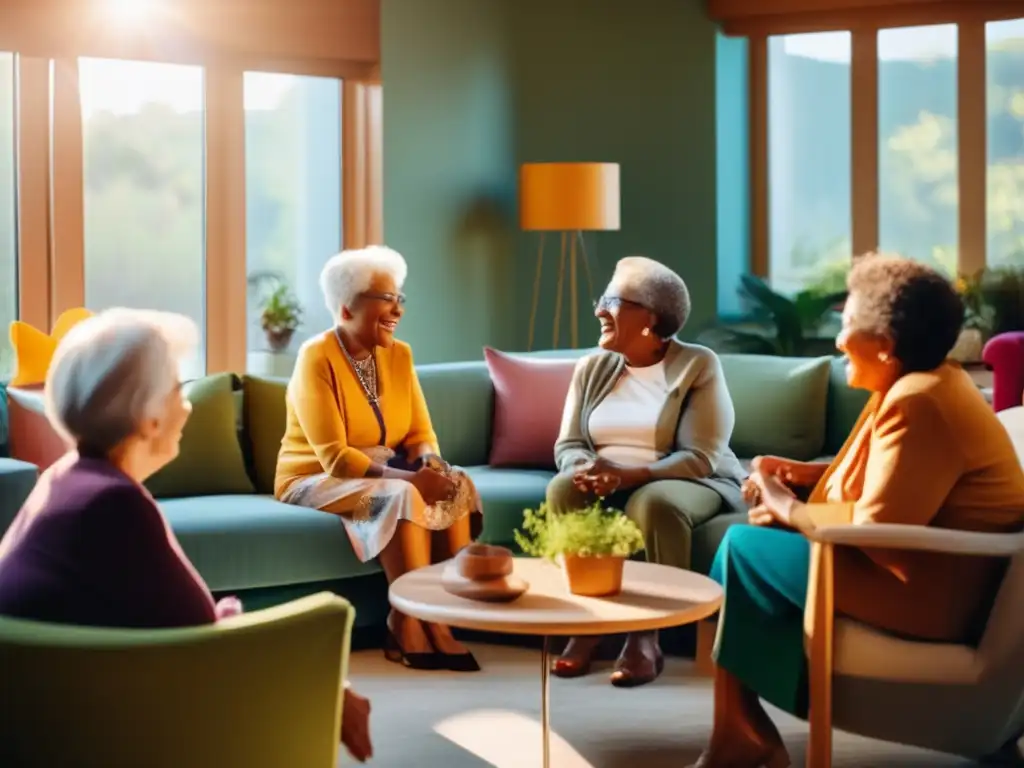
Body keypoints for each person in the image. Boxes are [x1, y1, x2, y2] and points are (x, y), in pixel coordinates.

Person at [0, 308, 373, 763]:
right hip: (98, 731)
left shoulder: (65, 480)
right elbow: (207, 648)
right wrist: (325, 681)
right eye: (178, 389)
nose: (189, 405)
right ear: (148, 417)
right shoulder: (115, 505)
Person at [696, 255, 1024, 768]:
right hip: (938, 575)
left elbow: (880, 533)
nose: (837, 341)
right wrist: (803, 477)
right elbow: (889, 486)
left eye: (847, 327)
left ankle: (740, 729)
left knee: (741, 547)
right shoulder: (921, 381)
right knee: (744, 550)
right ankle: (737, 726)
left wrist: (784, 506)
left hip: (936, 596)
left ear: (885, 346)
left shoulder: (920, 402)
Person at [275, 245, 483, 673]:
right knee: (399, 495)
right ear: (348, 308)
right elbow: (333, 457)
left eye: (399, 298)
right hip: (314, 479)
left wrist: (429, 464)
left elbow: (421, 433)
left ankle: (439, 618)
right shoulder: (315, 357)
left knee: (455, 482)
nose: (397, 310)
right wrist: (407, 481)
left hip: (383, 471)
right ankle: (407, 620)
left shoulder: (400, 355)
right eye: (385, 299)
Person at [546, 256, 746, 687]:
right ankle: (588, 624)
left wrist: (629, 474)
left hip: (687, 480)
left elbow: (699, 456)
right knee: (563, 489)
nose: (599, 310)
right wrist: (586, 470)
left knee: (652, 502)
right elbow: (569, 443)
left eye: (612, 301)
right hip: (610, 476)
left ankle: (647, 635)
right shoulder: (592, 367)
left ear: (649, 317)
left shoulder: (698, 364)